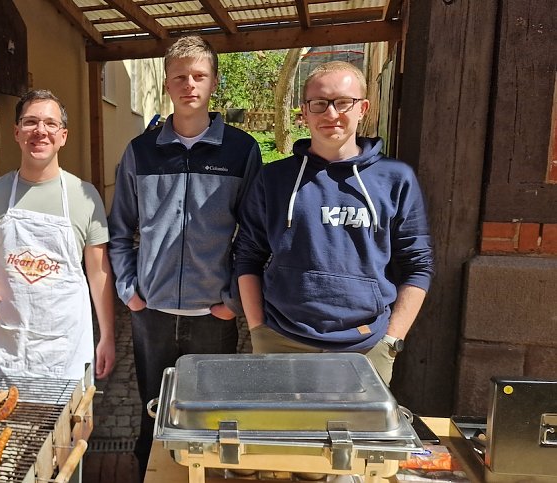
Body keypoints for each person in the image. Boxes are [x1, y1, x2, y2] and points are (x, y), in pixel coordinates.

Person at [108, 35, 262, 478]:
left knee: (212, 418)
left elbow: (254, 236)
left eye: (199, 76)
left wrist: (231, 302)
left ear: (214, 82)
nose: (189, 84)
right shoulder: (141, 150)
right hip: (150, 313)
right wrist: (129, 291)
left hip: (212, 316)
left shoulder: (241, 150)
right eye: (180, 76)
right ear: (167, 84)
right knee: (153, 414)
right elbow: (119, 230)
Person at [234, 61, 434, 385]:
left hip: (366, 349)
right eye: (320, 103)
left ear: (363, 108)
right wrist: (259, 331)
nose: (331, 114)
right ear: (304, 112)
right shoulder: (273, 179)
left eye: (343, 102)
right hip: (282, 342)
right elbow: (247, 256)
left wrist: (391, 342)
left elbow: (418, 265)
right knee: (280, 436)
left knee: (353, 438)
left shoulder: (396, 179)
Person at [0, 89, 116, 381]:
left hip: (65, 345)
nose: (40, 131)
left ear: (63, 136)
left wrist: (107, 334)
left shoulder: (84, 197)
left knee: (70, 426)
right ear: (17, 132)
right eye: (31, 122)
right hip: (5, 344)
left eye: (50, 123)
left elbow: (98, 272)